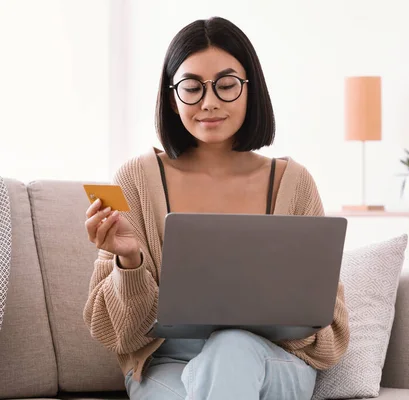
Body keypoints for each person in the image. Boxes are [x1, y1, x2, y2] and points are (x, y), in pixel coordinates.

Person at [82, 16, 350, 400]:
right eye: (191, 88)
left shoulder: (294, 183)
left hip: (270, 360)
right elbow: (115, 333)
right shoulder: (136, 178)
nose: (209, 103)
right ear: (172, 99)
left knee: (232, 348)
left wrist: (288, 314)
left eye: (226, 86)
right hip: (169, 365)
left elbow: (331, 328)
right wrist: (129, 262)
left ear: (249, 90)